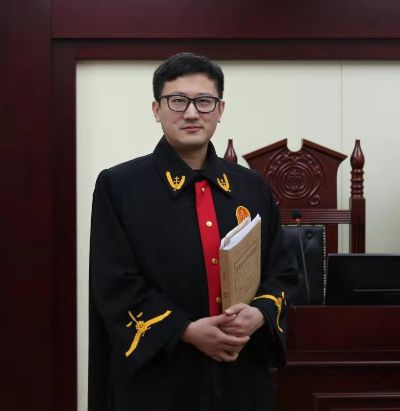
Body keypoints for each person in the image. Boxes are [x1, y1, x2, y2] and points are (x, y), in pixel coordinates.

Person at [89, 52, 297, 411]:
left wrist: (260, 313)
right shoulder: (119, 187)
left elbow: (283, 272)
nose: (191, 113)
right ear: (156, 109)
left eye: (204, 101)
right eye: (177, 101)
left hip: (240, 373)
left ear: (220, 109)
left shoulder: (251, 186)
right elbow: (115, 284)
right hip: (160, 376)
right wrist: (185, 330)